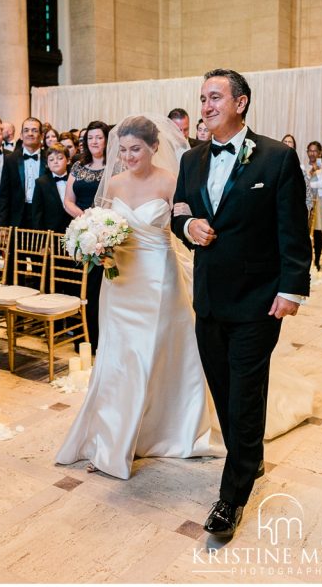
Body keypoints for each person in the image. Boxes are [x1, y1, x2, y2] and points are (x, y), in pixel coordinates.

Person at [171, 68, 311, 539]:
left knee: (246, 395)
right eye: (203, 98)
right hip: (208, 298)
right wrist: (188, 228)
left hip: (257, 300)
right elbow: (180, 209)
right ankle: (248, 459)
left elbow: (293, 227)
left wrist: (291, 288)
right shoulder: (191, 159)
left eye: (215, 97)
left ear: (241, 102)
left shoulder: (276, 158)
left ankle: (230, 499)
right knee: (225, 389)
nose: (207, 106)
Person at [56, 116, 223, 479]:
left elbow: (182, 225)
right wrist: (95, 247)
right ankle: (111, 436)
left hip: (159, 278)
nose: (129, 156)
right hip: (120, 280)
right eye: (125, 149)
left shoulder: (170, 182)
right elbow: (102, 225)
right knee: (119, 357)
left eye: (137, 149)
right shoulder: (113, 183)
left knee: (155, 352)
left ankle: (164, 430)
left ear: (154, 148)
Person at [63, 121, 109, 349]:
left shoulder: (115, 167)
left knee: (100, 287)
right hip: (82, 233)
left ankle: (102, 338)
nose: (94, 142)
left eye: (99, 137)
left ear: (107, 140)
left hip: (106, 234)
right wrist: (84, 219)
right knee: (82, 285)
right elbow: (67, 200)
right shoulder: (78, 166)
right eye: (90, 138)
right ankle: (84, 337)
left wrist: (99, 222)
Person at [0, 117, 47, 228]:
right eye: (26, 130)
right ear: (21, 135)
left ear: (42, 136)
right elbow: (4, 194)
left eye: (34, 130)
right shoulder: (10, 159)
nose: (30, 133)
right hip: (17, 217)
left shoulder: (49, 159)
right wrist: (3, 226)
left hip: (43, 216)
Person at [32, 143, 71, 233]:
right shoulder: (41, 182)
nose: (55, 162)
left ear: (68, 160)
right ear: (48, 164)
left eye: (60, 158)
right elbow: (37, 213)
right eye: (51, 160)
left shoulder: (75, 180)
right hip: (51, 232)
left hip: (73, 230)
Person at [305, 140, 322, 270]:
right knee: (306, 231)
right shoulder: (304, 167)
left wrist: (309, 183)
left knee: (317, 231)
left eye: (315, 150)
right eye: (310, 150)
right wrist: (310, 176)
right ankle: (307, 261)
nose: (312, 153)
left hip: (319, 200)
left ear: (319, 152)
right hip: (307, 200)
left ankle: (317, 262)